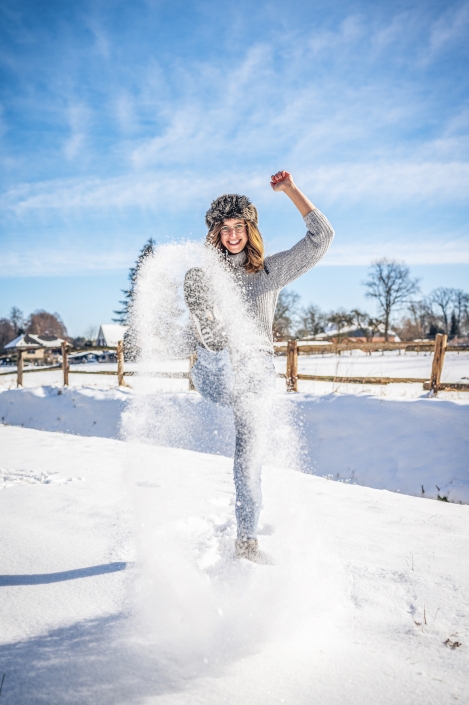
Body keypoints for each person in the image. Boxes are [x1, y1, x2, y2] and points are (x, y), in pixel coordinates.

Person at [184, 170, 334, 562]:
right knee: (212, 349)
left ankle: (247, 541)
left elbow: (322, 239)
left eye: (239, 226)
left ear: (250, 230)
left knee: (248, 465)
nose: (232, 234)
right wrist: (206, 340)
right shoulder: (207, 278)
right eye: (224, 228)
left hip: (255, 381)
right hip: (215, 374)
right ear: (215, 234)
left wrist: (291, 190)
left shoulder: (270, 273)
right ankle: (212, 340)